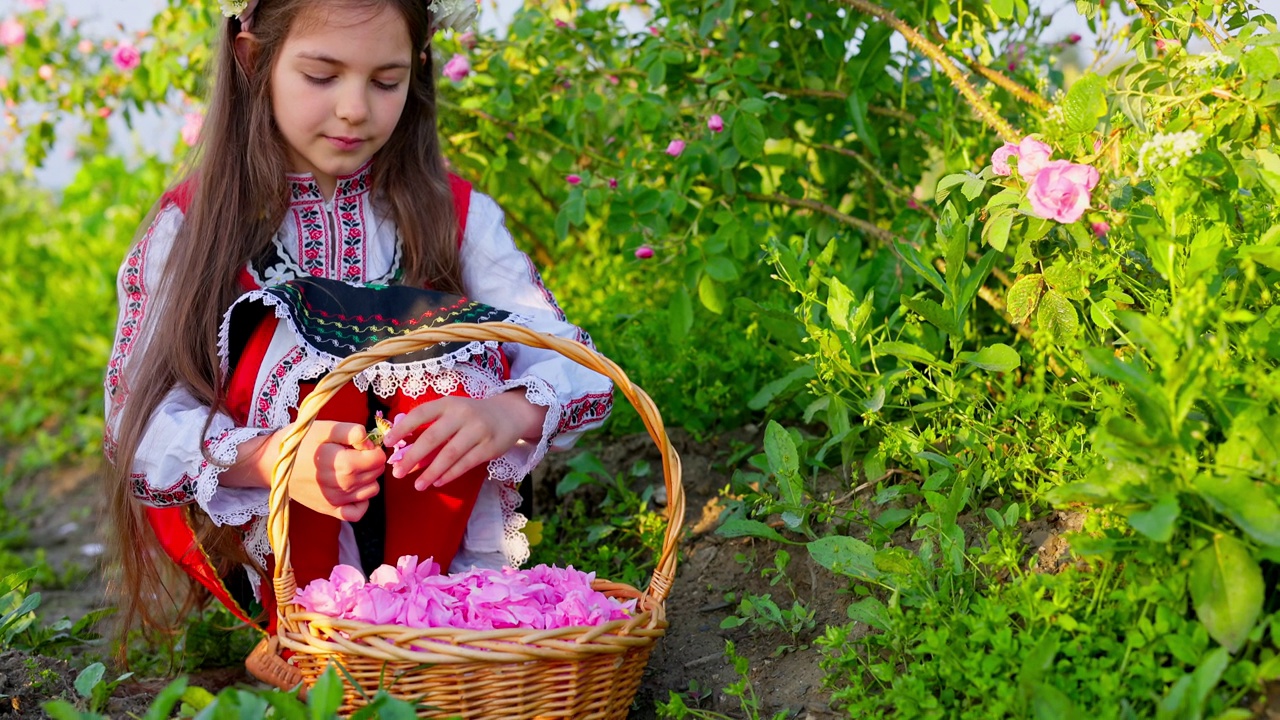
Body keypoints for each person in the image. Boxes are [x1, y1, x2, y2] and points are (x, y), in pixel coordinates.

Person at [102, 0, 613, 638]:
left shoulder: (455, 215)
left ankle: (430, 615)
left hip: (438, 544)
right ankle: (306, 623)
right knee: (288, 353)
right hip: (273, 545)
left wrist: (508, 412)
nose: (354, 108)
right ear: (252, 59)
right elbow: (136, 422)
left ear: (417, 70)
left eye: (385, 81)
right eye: (322, 76)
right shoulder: (193, 228)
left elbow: (572, 359)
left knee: (452, 361)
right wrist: (272, 458)